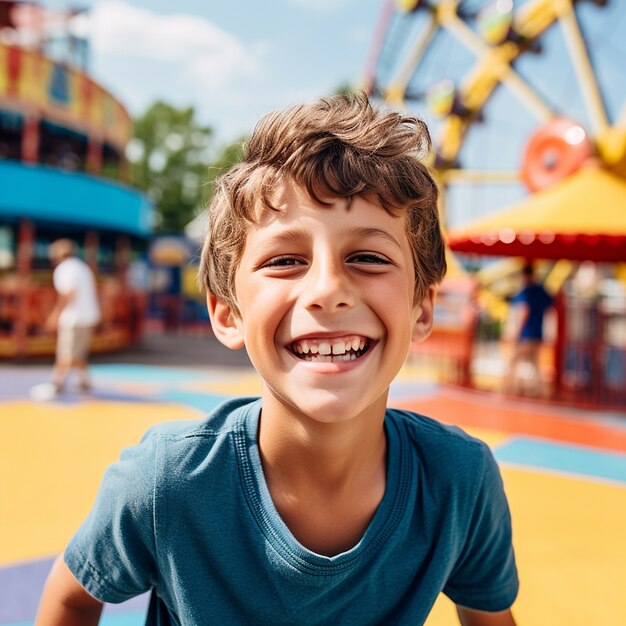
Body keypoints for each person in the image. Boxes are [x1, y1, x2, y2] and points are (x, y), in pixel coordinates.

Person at [36, 94, 518, 625]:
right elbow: (72, 598)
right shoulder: (166, 481)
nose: (329, 290)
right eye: (286, 260)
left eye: (368, 257)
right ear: (227, 313)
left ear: (422, 307)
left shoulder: (460, 482)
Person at [42, 238, 101, 396]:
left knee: (66, 353)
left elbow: (69, 293)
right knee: (78, 352)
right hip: (88, 316)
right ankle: (84, 381)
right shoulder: (82, 267)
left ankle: (56, 384)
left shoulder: (64, 268)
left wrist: (56, 314)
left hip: (73, 317)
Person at [504, 262, 554, 396]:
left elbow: (524, 311)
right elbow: (551, 305)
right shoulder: (542, 290)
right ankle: (539, 391)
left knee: (513, 362)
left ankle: (510, 388)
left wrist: (516, 333)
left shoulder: (526, 291)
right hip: (538, 334)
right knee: (535, 365)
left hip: (526, 334)